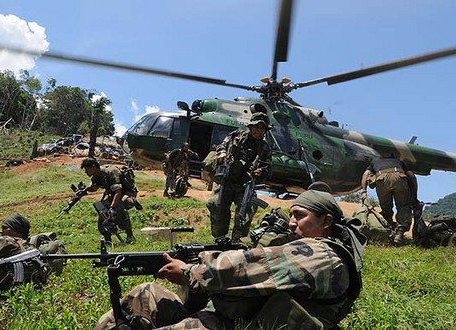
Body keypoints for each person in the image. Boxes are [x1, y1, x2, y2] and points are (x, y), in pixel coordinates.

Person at [94, 190, 367, 330]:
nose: (292, 223)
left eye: (300, 215)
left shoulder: (323, 255)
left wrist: (190, 271)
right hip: (238, 319)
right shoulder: (311, 250)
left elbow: (241, 269)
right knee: (146, 294)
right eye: (292, 215)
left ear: (326, 221)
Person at [206, 112, 272, 241]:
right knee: (215, 205)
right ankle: (220, 238)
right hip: (227, 180)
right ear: (250, 127)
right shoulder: (236, 136)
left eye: (261, 128)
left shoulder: (265, 148)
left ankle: (238, 242)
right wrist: (222, 153)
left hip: (245, 185)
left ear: (265, 131)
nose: (258, 131)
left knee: (246, 213)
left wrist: (261, 172)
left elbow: (268, 168)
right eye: (256, 127)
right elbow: (221, 146)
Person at [360, 153, 419, 245]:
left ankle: (388, 232)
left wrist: (364, 191)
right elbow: (411, 176)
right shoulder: (399, 162)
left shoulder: (375, 162)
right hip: (399, 178)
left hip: (381, 179)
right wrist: (414, 197)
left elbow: (365, 174)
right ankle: (399, 233)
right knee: (403, 207)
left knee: (386, 209)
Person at [81, 158, 142, 244]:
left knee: (119, 207)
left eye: (87, 169)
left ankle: (130, 236)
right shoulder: (96, 176)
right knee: (102, 211)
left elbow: (118, 192)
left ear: (93, 167)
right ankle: (108, 240)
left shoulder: (110, 172)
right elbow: (94, 188)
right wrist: (85, 189)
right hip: (114, 194)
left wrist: (112, 208)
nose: (86, 172)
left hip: (127, 192)